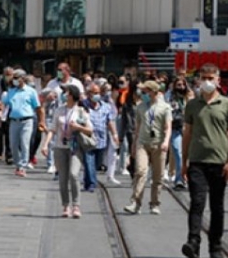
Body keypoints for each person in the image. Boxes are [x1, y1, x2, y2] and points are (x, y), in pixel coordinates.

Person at [180, 63, 228, 258]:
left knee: (217, 205)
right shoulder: (192, 105)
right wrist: (184, 161)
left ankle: (216, 245)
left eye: (210, 78)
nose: (206, 82)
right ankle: (193, 242)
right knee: (197, 203)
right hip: (197, 160)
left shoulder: (227, 104)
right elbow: (187, 133)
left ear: (218, 80)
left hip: (219, 162)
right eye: (203, 78)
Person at [41, 85, 93, 218]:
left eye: (66, 92)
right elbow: (53, 129)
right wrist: (46, 145)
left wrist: (78, 127)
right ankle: (65, 205)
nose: (64, 94)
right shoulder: (59, 110)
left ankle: (76, 205)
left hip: (75, 147)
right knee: (62, 178)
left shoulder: (81, 111)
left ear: (72, 95)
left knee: (74, 174)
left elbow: (90, 130)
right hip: (60, 147)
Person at [123, 80, 172, 215]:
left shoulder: (165, 107)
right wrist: (134, 145)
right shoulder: (140, 107)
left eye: (145, 91)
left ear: (153, 92)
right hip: (142, 143)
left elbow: (168, 127)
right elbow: (137, 127)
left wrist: (166, 142)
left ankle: (155, 203)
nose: (142, 94)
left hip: (158, 144)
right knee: (140, 172)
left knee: (158, 176)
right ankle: (135, 202)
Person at [3, 69, 46, 177]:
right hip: (14, 121)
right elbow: (4, 104)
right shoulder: (11, 91)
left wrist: (41, 121)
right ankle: (18, 164)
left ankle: (22, 166)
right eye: (14, 78)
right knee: (13, 144)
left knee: (24, 143)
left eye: (17, 78)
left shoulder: (31, 91)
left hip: (27, 120)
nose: (15, 81)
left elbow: (38, 107)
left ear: (23, 79)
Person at [81, 83, 118, 192]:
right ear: (88, 94)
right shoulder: (83, 105)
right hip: (88, 138)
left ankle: (87, 181)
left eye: (98, 93)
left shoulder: (106, 107)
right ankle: (92, 183)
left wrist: (114, 134)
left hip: (102, 139)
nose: (96, 95)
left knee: (96, 163)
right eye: (94, 93)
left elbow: (109, 121)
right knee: (89, 160)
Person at [165, 72, 194, 190]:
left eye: (182, 85)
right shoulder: (169, 96)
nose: (180, 87)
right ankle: (179, 179)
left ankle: (188, 177)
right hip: (175, 127)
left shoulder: (190, 96)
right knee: (178, 153)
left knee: (188, 155)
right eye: (178, 85)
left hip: (188, 128)